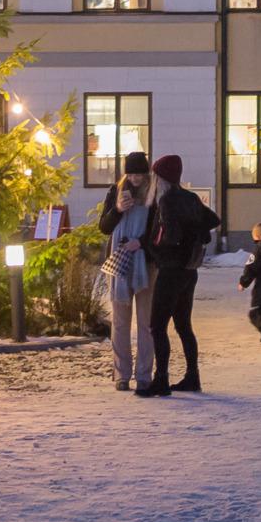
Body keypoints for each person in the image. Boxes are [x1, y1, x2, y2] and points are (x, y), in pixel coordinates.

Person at [137, 154, 216, 398]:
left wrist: (153, 247)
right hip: (188, 272)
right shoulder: (191, 198)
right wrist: (193, 235)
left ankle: (161, 380)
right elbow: (213, 220)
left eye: (156, 176)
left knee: (157, 326)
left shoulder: (168, 200)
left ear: (162, 178)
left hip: (170, 270)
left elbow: (169, 236)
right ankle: (193, 376)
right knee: (183, 326)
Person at [95, 152, 156, 390]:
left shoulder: (154, 195)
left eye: (139, 174)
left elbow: (157, 231)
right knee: (120, 322)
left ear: (146, 173)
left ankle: (144, 374)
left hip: (146, 263)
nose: (135, 178)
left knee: (146, 322)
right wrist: (117, 209)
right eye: (131, 174)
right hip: (119, 262)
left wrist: (141, 243)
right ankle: (121, 374)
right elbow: (104, 227)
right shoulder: (115, 192)